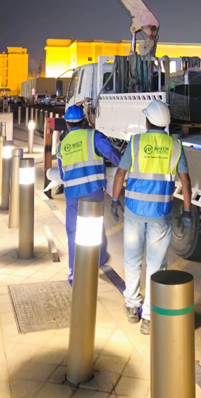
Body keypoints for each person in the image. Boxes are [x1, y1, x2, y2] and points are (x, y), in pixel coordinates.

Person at [111, 99, 193, 335]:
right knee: (157, 266)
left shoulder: (136, 142)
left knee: (132, 260)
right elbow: (185, 182)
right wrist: (187, 212)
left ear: (147, 121)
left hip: (134, 212)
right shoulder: (175, 146)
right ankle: (149, 318)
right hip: (161, 214)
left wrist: (115, 199)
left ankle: (131, 306)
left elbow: (120, 174)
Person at [51, 104, 121, 285]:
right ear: (84, 121)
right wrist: (123, 167)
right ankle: (99, 259)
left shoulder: (62, 145)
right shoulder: (93, 136)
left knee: (74, 232)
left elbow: (62, 173)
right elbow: (110, 152)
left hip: (72, 195)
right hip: (93, 191)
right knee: (96, 226)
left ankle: (75, 273)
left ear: (67, 124)